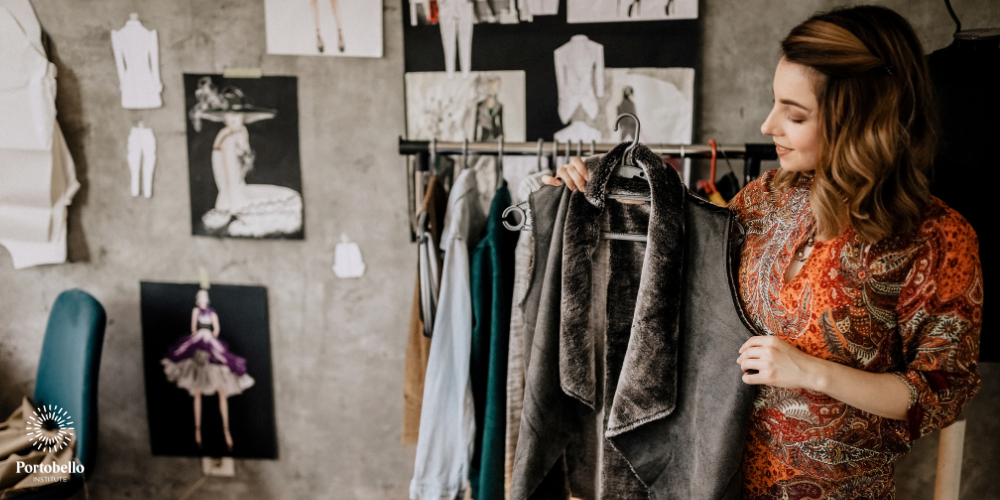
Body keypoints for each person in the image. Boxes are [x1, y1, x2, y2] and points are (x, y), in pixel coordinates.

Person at [544, 6, 982, 499]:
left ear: (860, 118)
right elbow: (662, 269)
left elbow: (941, 393)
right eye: (776, 103)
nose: (768, 123)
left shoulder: (936, 237)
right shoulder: (761, 199)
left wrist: (812, 372)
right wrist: (579, 200)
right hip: (714, 476)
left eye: (795, 114)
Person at [162, 289, 255, 452]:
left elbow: (216, 329)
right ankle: (198, 432)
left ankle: (226, 431)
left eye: (204, 297)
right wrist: (200, 340)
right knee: (197, 390)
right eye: (200, 297)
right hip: (199, 344)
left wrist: (210, 340)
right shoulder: (196, 311)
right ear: (198, 299)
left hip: (210, 343)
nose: (202, 299)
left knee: (221, 390)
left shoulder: (212, 313)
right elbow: (193, 328)